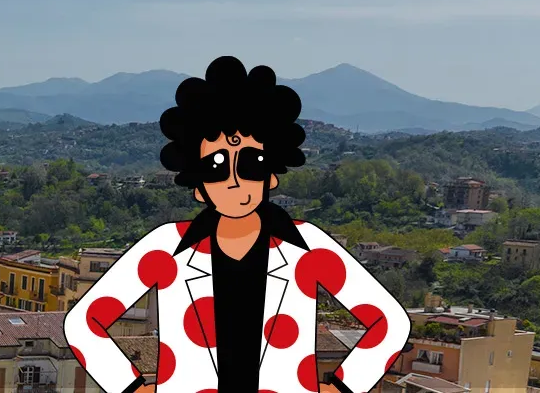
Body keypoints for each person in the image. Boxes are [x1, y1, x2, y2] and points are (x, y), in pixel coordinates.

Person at [62, 56, 409, 393]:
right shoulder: (165, 247)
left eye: (251, 163)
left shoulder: (308, 247)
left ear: (271, 175)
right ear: (198, 186)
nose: (234, 180)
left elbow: (390, 323)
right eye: (215, 167)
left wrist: (343, 387)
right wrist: (131, 387)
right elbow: (83, 324)